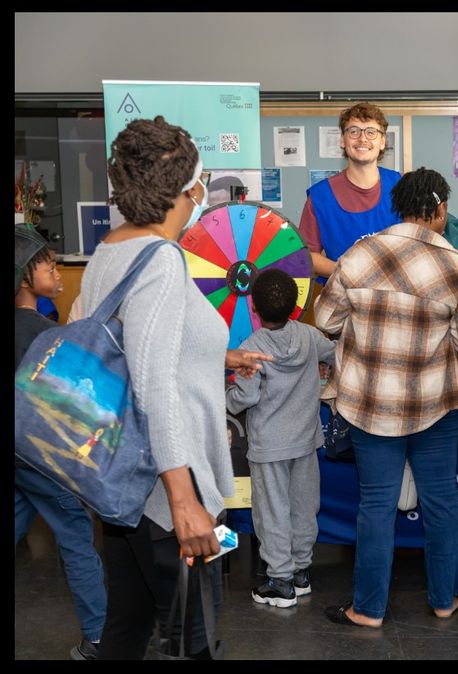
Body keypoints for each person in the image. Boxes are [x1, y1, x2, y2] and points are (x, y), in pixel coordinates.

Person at [79, 116, 270, 659]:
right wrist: (184, 501)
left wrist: (220, 353)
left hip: (121, 488)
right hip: (164, 496)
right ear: (188, 190)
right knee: (193, 640)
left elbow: (125, 344)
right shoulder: (161, 259)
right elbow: (152, 381)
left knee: (126, 631)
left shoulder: (111, 249)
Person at [315, 167, 458, 628]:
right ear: (441, 210)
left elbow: (327, 319)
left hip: (371, 405)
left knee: (375, 504)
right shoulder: (456, 265)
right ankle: (443, 600)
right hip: (435, 405)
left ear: (399, 206)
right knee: (441, 502)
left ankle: (367, 609)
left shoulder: (360, 253)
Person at [14, 224, 107, 661]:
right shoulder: (44, 335)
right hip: (43, 462)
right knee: (75, 536)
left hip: (17, 460)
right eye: (49, 265)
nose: (57, 270)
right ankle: (99, 636)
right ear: (25, 278)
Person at [225, 269, 335, 609]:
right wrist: (323, 380)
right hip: (305, 440)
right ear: (295, 305)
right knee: (304, 507)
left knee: (272, 511)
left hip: (268, 446)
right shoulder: (310, 336)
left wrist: (226, 397)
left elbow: (244, 398)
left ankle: (280, 581)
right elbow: (336, 354)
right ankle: (301, 572)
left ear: (254, 308)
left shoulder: (250, 348)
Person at [299, 103, 401, 281]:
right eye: (354, 131)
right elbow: (307, 255)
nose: (362, 139)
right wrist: (349, 273)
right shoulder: (320, 197)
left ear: (383, 142)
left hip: (396, 301)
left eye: (371, 132)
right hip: (342, 302)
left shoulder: (402, 186)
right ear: (342, 140)